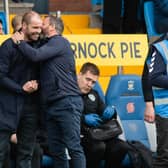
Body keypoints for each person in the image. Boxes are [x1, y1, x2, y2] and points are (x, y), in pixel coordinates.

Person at [12, 15, 86, 168]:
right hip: (52, 105)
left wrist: (19, 40)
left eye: (43, 24)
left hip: (67, 101)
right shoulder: (46, 44)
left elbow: (35, 56)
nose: (39, 27)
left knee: (73, 148)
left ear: (52, 27)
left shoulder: (59, 41)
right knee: (57, 150)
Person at [0, 11, 42, 168]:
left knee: (26, 154)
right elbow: (0, 76)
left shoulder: (39, 45)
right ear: (24, 26)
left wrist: (37, 83)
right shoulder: (7, 46)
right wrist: (21, 88)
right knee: (1, 152)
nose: (38, 31)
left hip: (30, 107)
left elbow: (45, 72)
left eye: (40, 27)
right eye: (35, 27)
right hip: (7, 107)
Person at [77, 62, 127, 168]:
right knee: (98, 147)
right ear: (79, 74)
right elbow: (63, 115)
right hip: (77, 136)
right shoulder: (68, 92)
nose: (89, 84)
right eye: (87, 79)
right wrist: (83, 119)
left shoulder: (94, 94)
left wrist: (112, 112)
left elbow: (103, 111)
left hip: (97, 134)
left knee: (121, 146)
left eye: (93, 82)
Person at [142, 32, 168, 167]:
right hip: (165, 113)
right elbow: (151, 77)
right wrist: (149, 104)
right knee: (165, 158)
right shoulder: (161, 48)